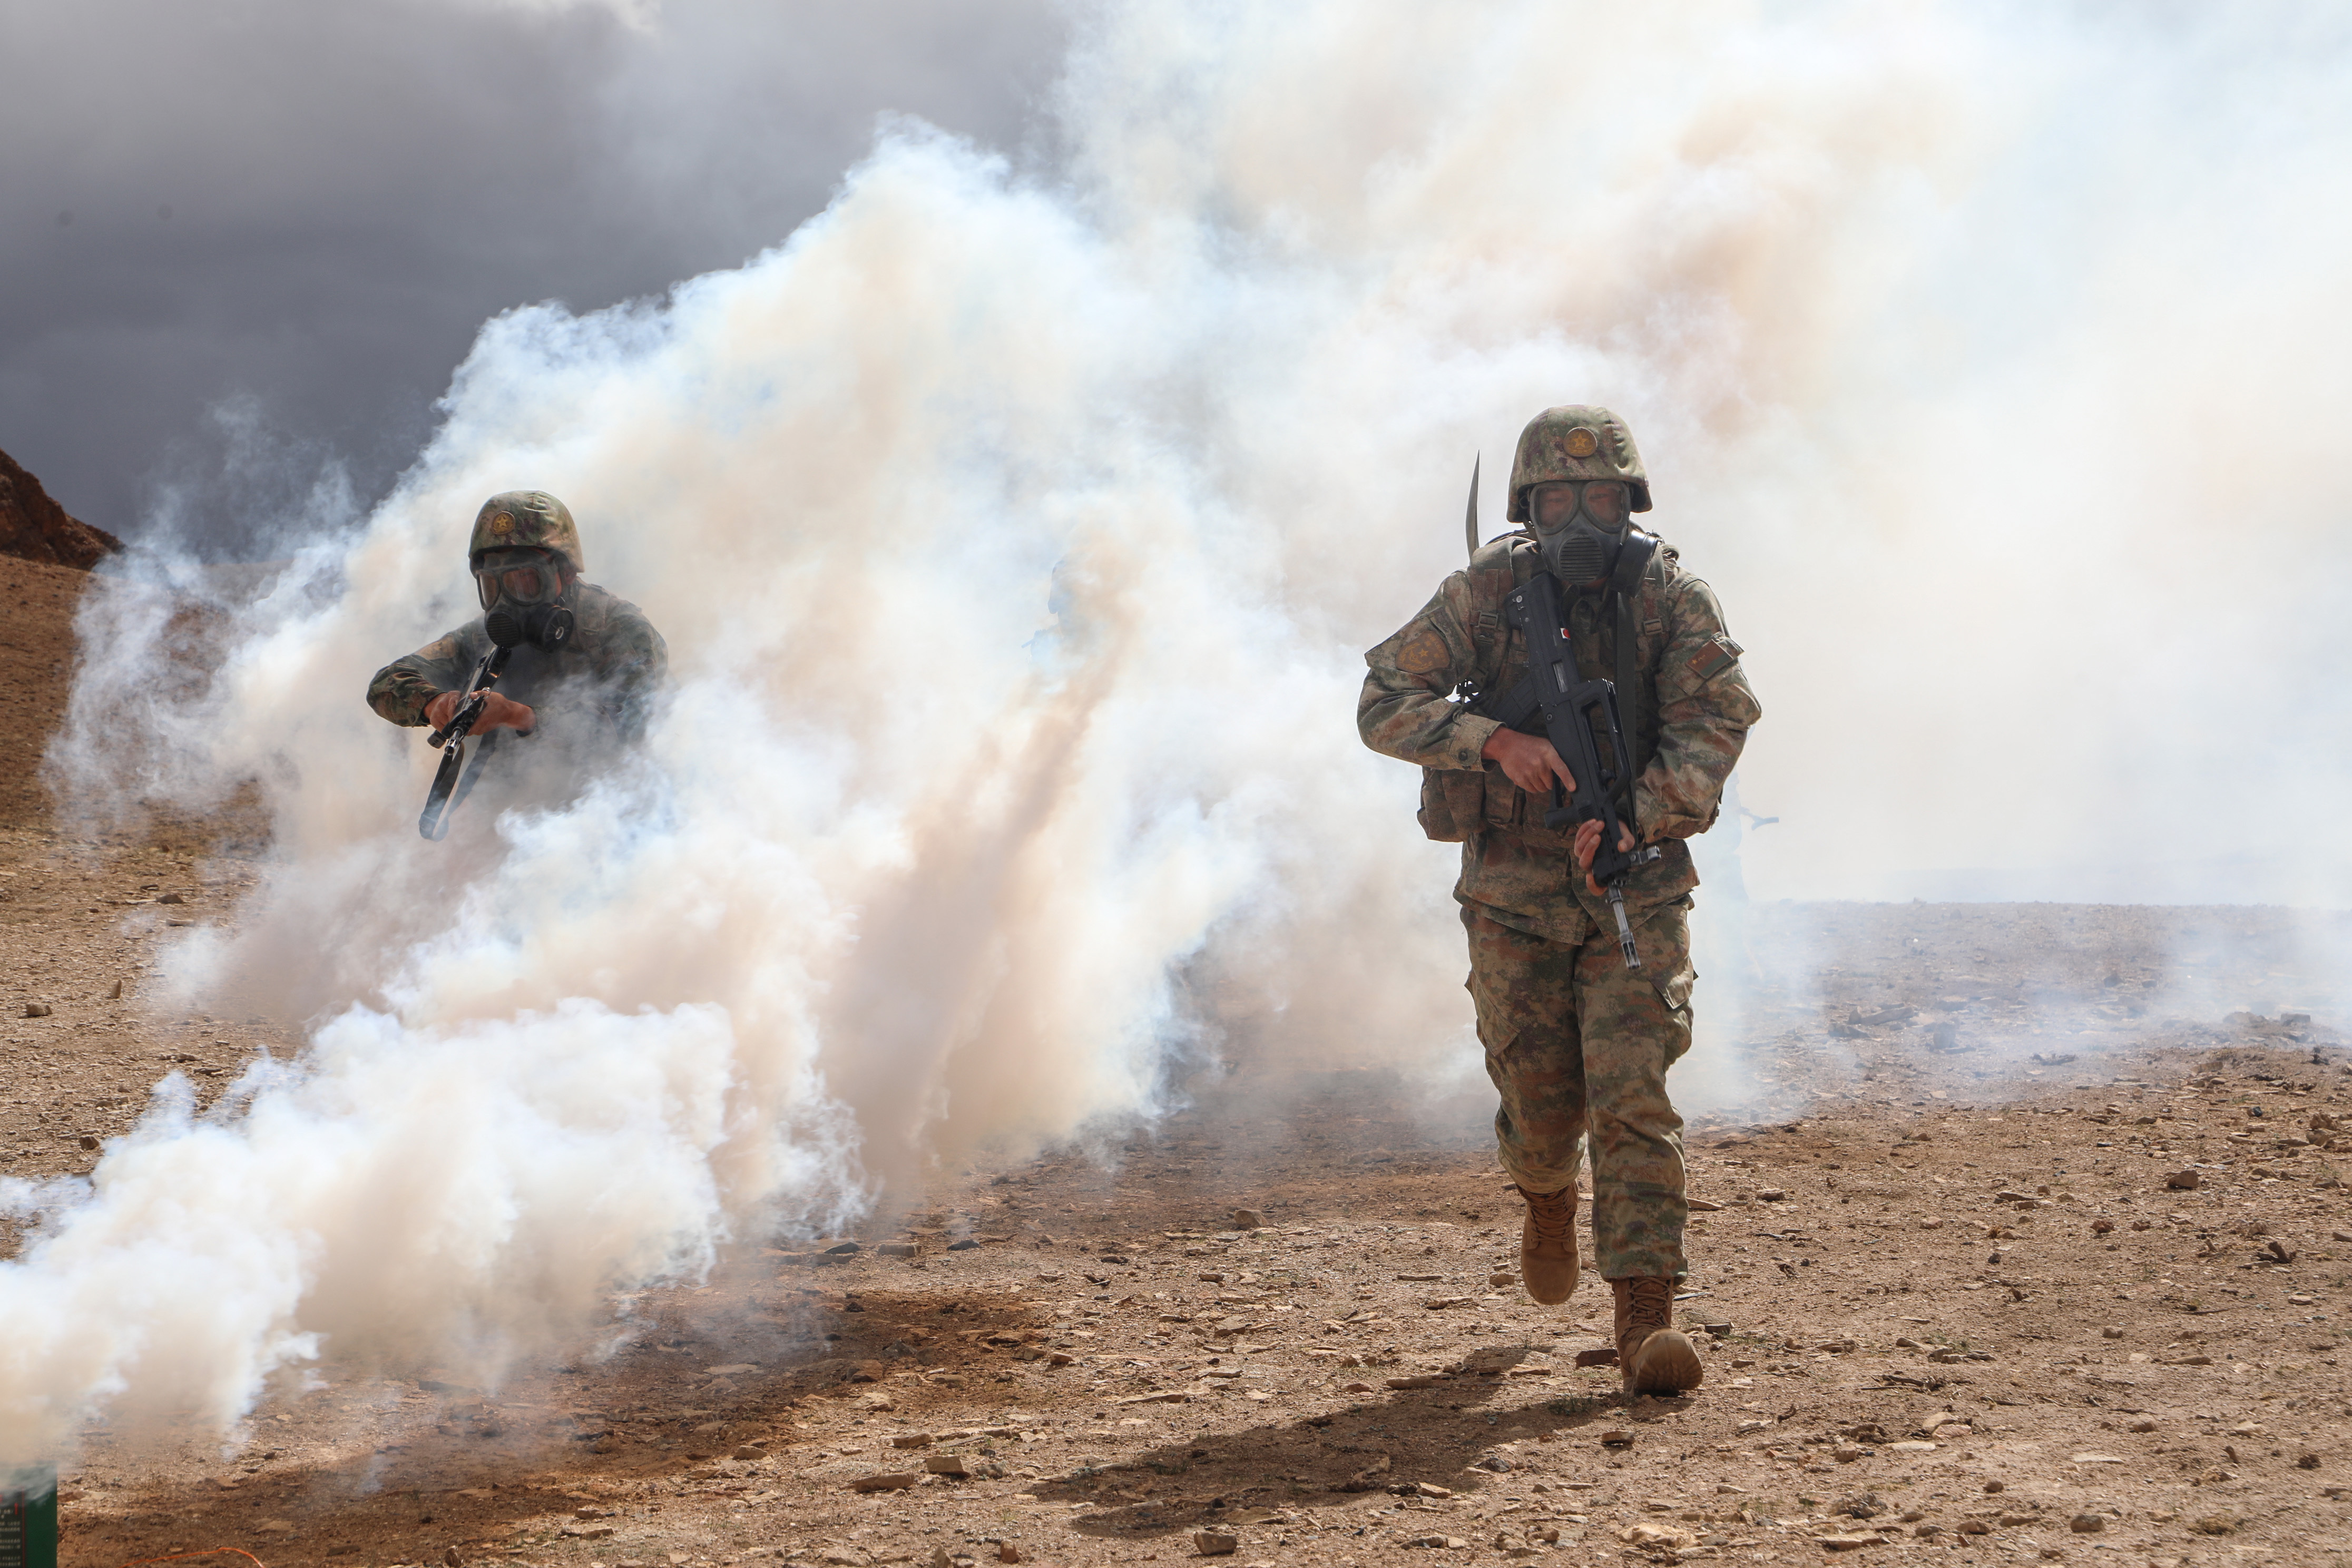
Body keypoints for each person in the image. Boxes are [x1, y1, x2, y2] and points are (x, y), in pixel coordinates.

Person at [1358, 407, 1759, 1396]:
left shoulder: (1669, 596)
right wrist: (1492, 741)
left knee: (1633, 1103)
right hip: (1511, 896)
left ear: (1631, 500)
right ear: (1528, 506)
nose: (1582, 516)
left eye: (1601, 496)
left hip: (1636, 886)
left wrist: (1642, 815)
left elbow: (1716, 717)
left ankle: (1643, 1322)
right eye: (1559, 498)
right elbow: (1381, 700)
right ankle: (1543, 1194)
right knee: (1541, 1111)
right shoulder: (1486, 592)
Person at [367, 490, 667, 805]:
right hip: (509, 810)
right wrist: (434, 703)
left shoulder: (619, 628)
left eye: (524, 581)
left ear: (566, 573)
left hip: (605, 810)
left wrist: (518, 716)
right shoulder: (484, 639)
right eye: (493, 586)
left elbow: (629, 730)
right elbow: (386, 683)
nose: (508, 600)